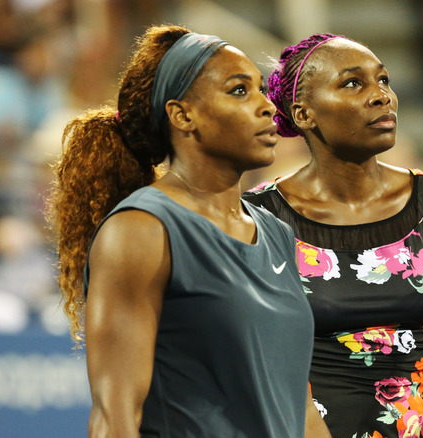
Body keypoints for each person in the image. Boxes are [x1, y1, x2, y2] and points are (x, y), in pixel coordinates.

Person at [46, 25, 330, 437]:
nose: (267, 106)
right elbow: (115, 416)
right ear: (182, 115)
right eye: (238, 91)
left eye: (262, 90)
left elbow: (300, 408)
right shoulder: (141, 229)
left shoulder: (276, 232)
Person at [244, 33, 423, 438]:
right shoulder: (259, 217)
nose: (381, 96)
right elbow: (256, 360)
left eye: (383, 80)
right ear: (304, 114)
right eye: (353, 83)